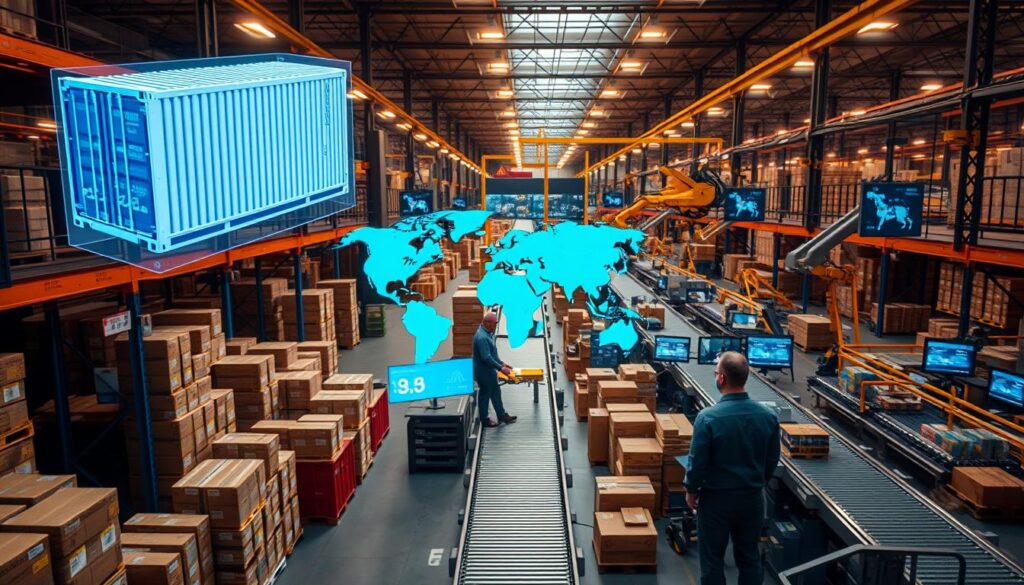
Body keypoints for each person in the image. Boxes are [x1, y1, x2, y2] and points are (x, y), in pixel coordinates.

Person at [685, 351, 780, 585]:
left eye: (716, 372)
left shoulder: (708, 418)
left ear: (721, 379)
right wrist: (756, 481)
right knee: (749, 558)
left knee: (712, 561)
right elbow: (771, 460)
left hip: (716, 501)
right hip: (752, 499)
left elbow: (697, 461)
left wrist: (691, 489)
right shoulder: (768, 416)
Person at [472, 312, 517, 428]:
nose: (495, 325)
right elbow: (486, 357)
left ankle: (502, 415)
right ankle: (485, 419)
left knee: (496, 392)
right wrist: (501, 368)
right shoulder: (481, 337)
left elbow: (492, 354)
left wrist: (502, 363)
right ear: (486, 323)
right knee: (485, 395)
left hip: (490, 371)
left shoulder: (488, 333)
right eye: (494, 323)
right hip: (483, 373)